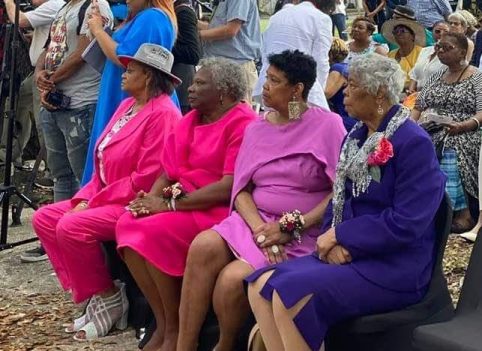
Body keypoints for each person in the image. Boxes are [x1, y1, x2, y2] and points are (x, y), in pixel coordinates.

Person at [246, 53, 446, 351]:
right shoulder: (356, 134)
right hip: (350, 253)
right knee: (258, 285)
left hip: (394, 264)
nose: (345, 92)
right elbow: (338, 196)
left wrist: (342, 237)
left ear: (378, 93)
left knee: (290, 296)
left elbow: (407, 222)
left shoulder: (413, 142)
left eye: (352, 86)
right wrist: (331, 241)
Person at [177, 50, 346, 351]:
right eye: (267, 78)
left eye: (275, 81)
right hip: (256, 220)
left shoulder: (328, 126)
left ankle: (225, 345)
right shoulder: (257, 127)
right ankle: (184, 345)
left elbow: (340, 191)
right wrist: (259, 229)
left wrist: (293, 226)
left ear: (297, 90)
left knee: (232, 280)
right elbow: (241, 189)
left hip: (302, 230)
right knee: (203, 245)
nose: (264, 86)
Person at [32, 43, 182, 341]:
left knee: (72, 226)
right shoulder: (127, 106)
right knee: (45, 218)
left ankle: (110, 296)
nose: (123, 75)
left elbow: (147, 178)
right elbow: (101, 161)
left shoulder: (163, 114)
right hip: (105, 195)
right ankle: (91, 293)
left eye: (131, 70)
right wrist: (86, 197)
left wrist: (92, 203)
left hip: (133, 202)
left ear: (150, 76)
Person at [116, 57, 257, 351]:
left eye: (200, 83)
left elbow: (229, 186)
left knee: (153, 232)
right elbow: (167, 171)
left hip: (214, 208)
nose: (190, 89)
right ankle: (165, 321)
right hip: (180, 201)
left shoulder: (243, 122)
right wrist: (151, 199)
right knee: (127, 222)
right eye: (193, 83)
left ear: (224, 92)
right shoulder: (191, 118)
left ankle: (177, 332)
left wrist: (166, 206)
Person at [81, 0, 177, 184]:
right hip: (122, 93)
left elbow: (126, 58)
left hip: (132, 97)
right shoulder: (142, 17)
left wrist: (98, 31)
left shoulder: (153, 17)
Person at [3, 0, 65, 263]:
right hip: (35, 75)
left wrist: (9, 3)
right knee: (19, 110)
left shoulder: (56, 5)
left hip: (49, 82)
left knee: (47, 137)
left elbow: (21, 19)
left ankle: (55, 212)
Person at [35, 0, 113, 199]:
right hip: (55, 102)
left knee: (84, 177)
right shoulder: (65, 7)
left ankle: (79, 226)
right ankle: (59, 226)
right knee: (61, 176)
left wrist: (50, 80)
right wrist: (39, 73)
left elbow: (82, 54)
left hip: (81, 103)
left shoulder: (96, 6)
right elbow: (49, 46)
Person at [412, 32, 482, 234]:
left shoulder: (477, 76)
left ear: (462, 51)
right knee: (417, 147)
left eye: (447, 48)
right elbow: (418, 105)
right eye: (438, 48)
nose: (441, 52)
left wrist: (464, 125)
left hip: (466, 130)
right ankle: (430, 210)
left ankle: (462, 213)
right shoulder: (435, 76)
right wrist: (411, 127)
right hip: (434, 127)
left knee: (451, 148)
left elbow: (481, 112)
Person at [253, 0, 336, 110]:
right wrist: (316, 91)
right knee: (295, 123)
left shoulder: (277, 16)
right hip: (296, 91)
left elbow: (265, 54)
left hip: (269, 86)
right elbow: (321, 62)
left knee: (277, 123)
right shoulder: (321, 19)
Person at [198, 0, 262, 103]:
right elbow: (215, 28)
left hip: (236, 67)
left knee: (236, 114)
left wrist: (198, 35)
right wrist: (192, 21)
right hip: (224, 66)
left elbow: (231, 30)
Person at [172, 0, 201, 115]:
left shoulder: (183, 11)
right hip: (174, 84)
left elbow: (192, 53)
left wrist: (161, 46)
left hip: (180, 85)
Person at [383, 16, 426, 90]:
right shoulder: (390, 54)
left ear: (412, 36)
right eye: (395, 32)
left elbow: (422, 80)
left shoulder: (422, 53)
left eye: (402, 31)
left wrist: (400, 87)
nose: (398, 34)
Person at [408, 20, 450, 94]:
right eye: (437, 31)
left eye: (445, 32)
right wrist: (410, 92)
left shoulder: (450, 54)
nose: (441, 34)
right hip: (416, 96)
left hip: (436, 96)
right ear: (432, 33)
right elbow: (414, 74)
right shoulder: (424, 50)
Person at [326, 38, 356, 131]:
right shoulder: (344, 67)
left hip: (344, 118)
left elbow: (326, 93)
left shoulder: (338, 68)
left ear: (330, 54)